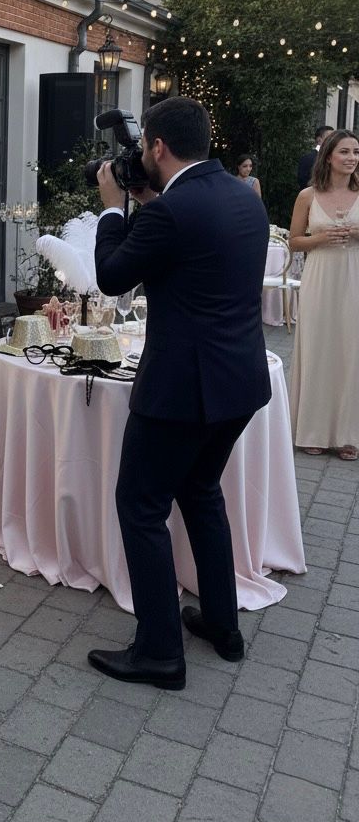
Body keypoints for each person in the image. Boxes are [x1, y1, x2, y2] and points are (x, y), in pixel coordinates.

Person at [88, 97, 271, 691]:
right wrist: (146, 201)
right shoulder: (242, 196)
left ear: (159, 147)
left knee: (141, 506)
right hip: (238, 382)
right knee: (200, 490)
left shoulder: (171, 211)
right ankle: (223, 624)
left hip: (180, 389)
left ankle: (160, 652)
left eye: (145, 148)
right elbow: (196, 255)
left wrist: (115, 208)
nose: (140, 156)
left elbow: (113, 276)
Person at [288, 128, 359, 461]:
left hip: (354, 274)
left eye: (356, 152)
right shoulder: (308, 195)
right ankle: (312, 429)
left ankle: (348, 434)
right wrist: (320, 238)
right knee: (319, 348)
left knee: (352, 351)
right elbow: (294, 241)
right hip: (320, 276)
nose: (351, 158)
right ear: (329, 155)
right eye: (345, 152)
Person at [297, 124, 334, 189]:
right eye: (330, 137)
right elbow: (303, 182)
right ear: (319, 140)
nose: (333, 140)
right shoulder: (308, 159)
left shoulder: (334, 157)